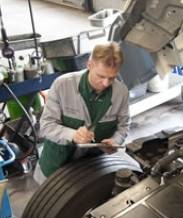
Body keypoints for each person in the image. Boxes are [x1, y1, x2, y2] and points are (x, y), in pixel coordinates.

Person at [33, 42, 130, 184]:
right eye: (101, 76)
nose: (106, 83)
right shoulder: (62, 85)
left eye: (112, 78)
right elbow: (46, 126)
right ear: (89, 65)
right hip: (56, 164)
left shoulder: (121, 93)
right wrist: (73, 135)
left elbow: (124, 126)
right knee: (52, 203)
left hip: (92, 166)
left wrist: (116, 140)